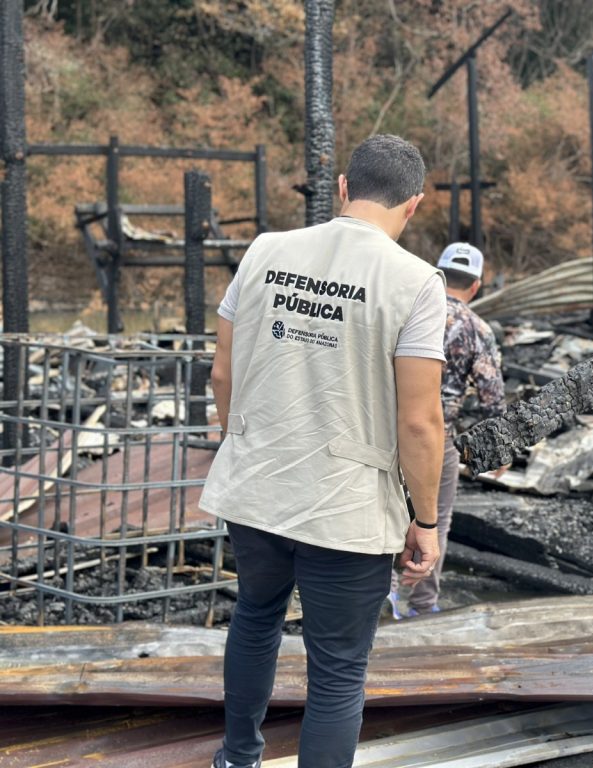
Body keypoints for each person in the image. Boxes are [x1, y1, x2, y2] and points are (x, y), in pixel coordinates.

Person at [199, 134, 447, 768]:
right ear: (414, 204)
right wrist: (424, 521)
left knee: (255, 616)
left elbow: (222, 373)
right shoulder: (417, 283)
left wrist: (242, 446)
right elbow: (419, 422)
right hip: (348, 509)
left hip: (257, 487)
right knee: (337, 671)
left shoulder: (265, 251)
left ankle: (236, 757)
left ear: (342, 187)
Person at [389, 242, 505, 618]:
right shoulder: (477, 328)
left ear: (437, 277)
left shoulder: (406, 311)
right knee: (433, 518)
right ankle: (422, 604)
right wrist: (498, 450)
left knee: (384, 510)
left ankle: (381, 592)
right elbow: (491, 395)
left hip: (386, 427)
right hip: (438, 438)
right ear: (476, 286)